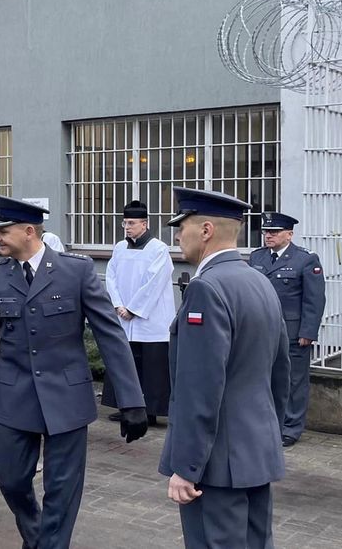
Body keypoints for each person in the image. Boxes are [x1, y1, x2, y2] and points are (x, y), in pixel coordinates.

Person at [0, 195, 148, 549]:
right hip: (16, 399)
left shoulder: (75, 271)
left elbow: (110, 335)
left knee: (62, 491)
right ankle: (39, 537)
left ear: (28, 231)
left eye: (2, 231)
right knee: (11, 481)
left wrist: (132, 400)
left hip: (68, 400)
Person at [161, 187, 289, 549]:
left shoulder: (207, 287)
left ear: (205, 230)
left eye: (181, 225)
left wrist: (186, 467)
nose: (176, 234)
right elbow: (281, 374)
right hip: (254, 452)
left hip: (216, 463)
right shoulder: (259, 280)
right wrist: (267, 436)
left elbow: (199, 389)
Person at [248, 211, 325, 448]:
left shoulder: (305, 259)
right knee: (263, 378)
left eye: (274, 232)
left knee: (294, 381)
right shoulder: (256, 257)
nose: (268, 236)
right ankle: (267, 424)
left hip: (292, 332)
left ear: (289, 235)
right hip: (262, 331)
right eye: (266, 232)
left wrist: (308, 332)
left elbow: (314, 300)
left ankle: (290, 427)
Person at [102, 200, 176, 426]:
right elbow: (110, 276)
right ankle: (126, 406)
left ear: (145, 223)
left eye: (132, 223)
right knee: (126, 363)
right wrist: (117, 304)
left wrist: (133, 309)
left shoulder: (159, 249)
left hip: (150, 320)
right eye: (125, 222)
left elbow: (153, 282)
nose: (127, 226)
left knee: (151, 368)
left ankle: (150, 410)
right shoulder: (119, 247)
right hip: (124, 315)